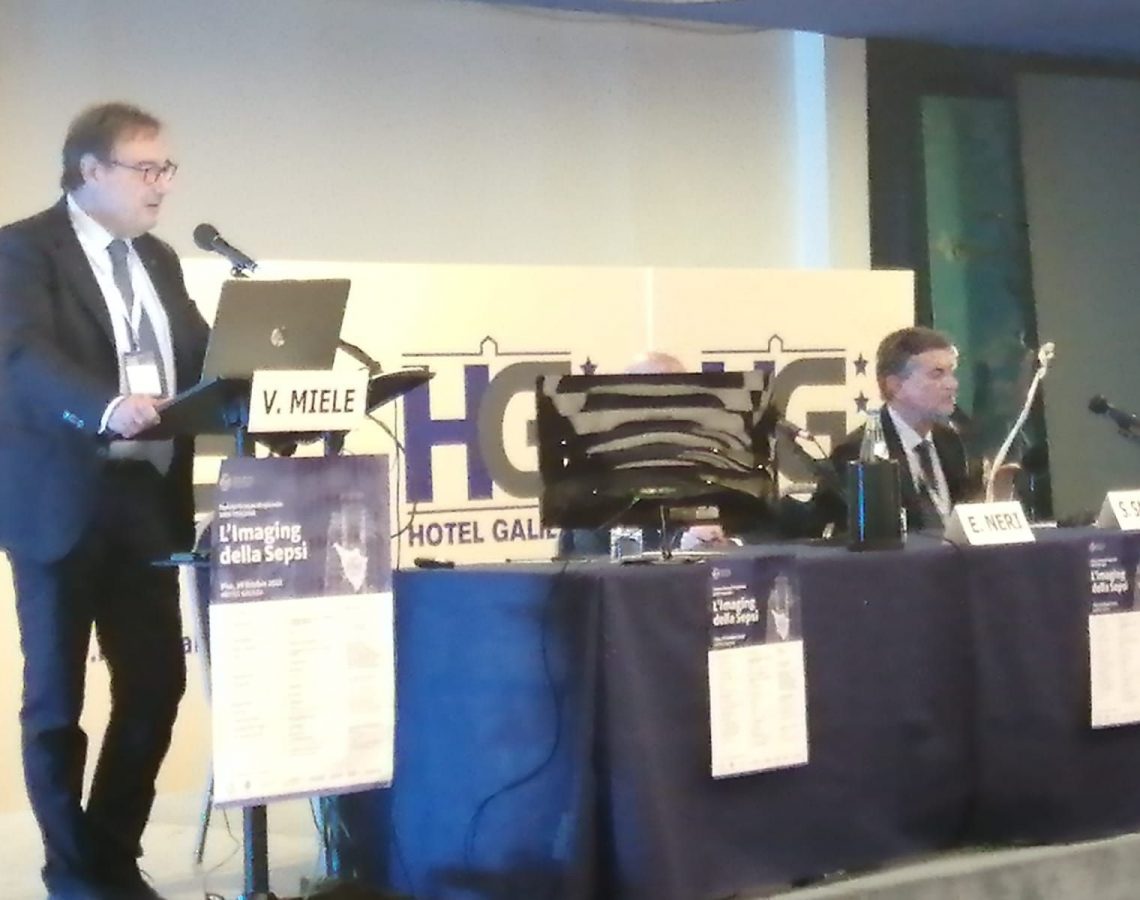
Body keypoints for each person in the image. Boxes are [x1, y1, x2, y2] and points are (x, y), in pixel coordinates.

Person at [0, 102, 210, 899]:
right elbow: (21, 356)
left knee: (156, 684)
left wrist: (261, 378)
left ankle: (111, 856)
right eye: (146, 168)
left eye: (166, 169)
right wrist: (104, 404)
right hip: (59, 501)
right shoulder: (24, 249)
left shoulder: (158, 258)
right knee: (58, 702)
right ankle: (71, 872)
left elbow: (195, 352)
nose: (162, 185)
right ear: (90, 170)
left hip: (145, 500)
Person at [814, 326, 979, 535]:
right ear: (895, 385)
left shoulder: (951, 441)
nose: (952, 384)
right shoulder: (857, 453)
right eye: (937, 374)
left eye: (951, 372)